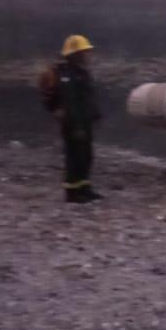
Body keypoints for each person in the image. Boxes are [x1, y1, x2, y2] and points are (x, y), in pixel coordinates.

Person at [53, 34, 102, 203]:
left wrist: (94, 115)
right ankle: (72, 192)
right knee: (75, 156)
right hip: (74, 123)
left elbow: (86, 98)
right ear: (76, 54)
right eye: (85, 52)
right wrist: (77, 126)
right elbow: (71, 102)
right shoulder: (67, 75)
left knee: (86, 155)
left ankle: (84, 188)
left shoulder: (81, 73)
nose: (89, 55)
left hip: (84, 122)